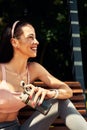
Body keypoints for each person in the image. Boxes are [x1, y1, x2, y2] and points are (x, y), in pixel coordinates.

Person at [0, 20, 87, 130]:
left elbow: (67, 91)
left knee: (59, 101)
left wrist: (50, 93)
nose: (36, 42)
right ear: (14, 42)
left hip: (18, 128)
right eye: (30, 37)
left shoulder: (34, 69)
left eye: (35, 37)